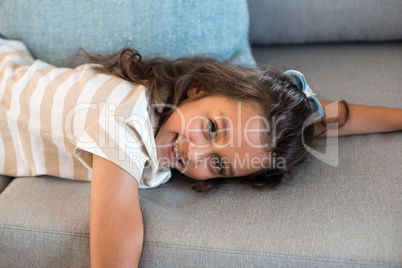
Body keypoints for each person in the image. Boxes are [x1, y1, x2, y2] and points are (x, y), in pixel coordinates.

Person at [1, 36, 401, 267]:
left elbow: (328, 118)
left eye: (219, 164)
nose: (195, 152)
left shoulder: (168, 113)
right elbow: (118, 225)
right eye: (211, 127)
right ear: (199, 87)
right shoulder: (124, 119)